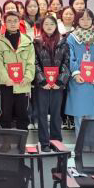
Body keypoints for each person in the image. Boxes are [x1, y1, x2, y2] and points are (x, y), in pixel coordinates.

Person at [65, 9, 94, 138]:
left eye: (88, 19)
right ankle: (81, 143)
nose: (85, 22)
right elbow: (69, 56)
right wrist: (75, 72)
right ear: (77, 21)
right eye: (82, 19)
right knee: (79, 114)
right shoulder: (71, 38)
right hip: (78, 79)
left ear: (93, 20)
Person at [33, 15, 70, 151]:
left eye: (52, 24)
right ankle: (44, 142)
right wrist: (42, 80)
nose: (49, 26)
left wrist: (60, 80)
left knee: (56, 113)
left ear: (56, 26)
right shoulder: (36, 42)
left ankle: (56, 141)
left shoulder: (64, 42)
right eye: (46, 24)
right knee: (42, 114)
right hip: (42, 84)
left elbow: (66, 62)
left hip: (57, 84)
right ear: (42, 26)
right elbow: (34, 62)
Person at [0, 11, 35, 130]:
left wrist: (27, 77)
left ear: (19, 23)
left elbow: (31, 62)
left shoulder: (28, 42)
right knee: (5, 114)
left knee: (23, 114)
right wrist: (6, 79)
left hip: (23, 83)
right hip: (5, 84)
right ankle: (5, 139)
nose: (12, 24)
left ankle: (22, 140)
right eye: (9, 21)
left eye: (15, 21)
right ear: (4, 23)